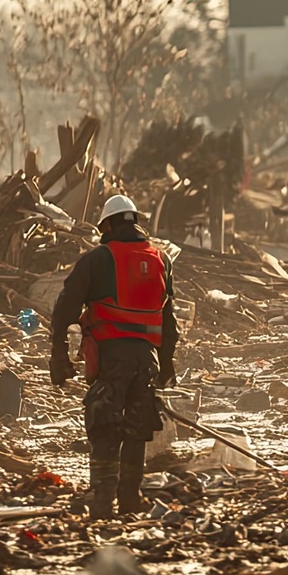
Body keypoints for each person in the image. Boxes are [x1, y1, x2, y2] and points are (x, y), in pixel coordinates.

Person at [50, 194, 178, 519]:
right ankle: (130, 502)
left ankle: (103, 504)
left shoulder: (97, 259)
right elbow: (169, 321)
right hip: (146, 361)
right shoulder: (161, 259)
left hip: (110, 358)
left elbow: (64, 309)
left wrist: (58, 356)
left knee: (104, 427)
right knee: (137, 429)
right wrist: (166, 366)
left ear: (107, 224)